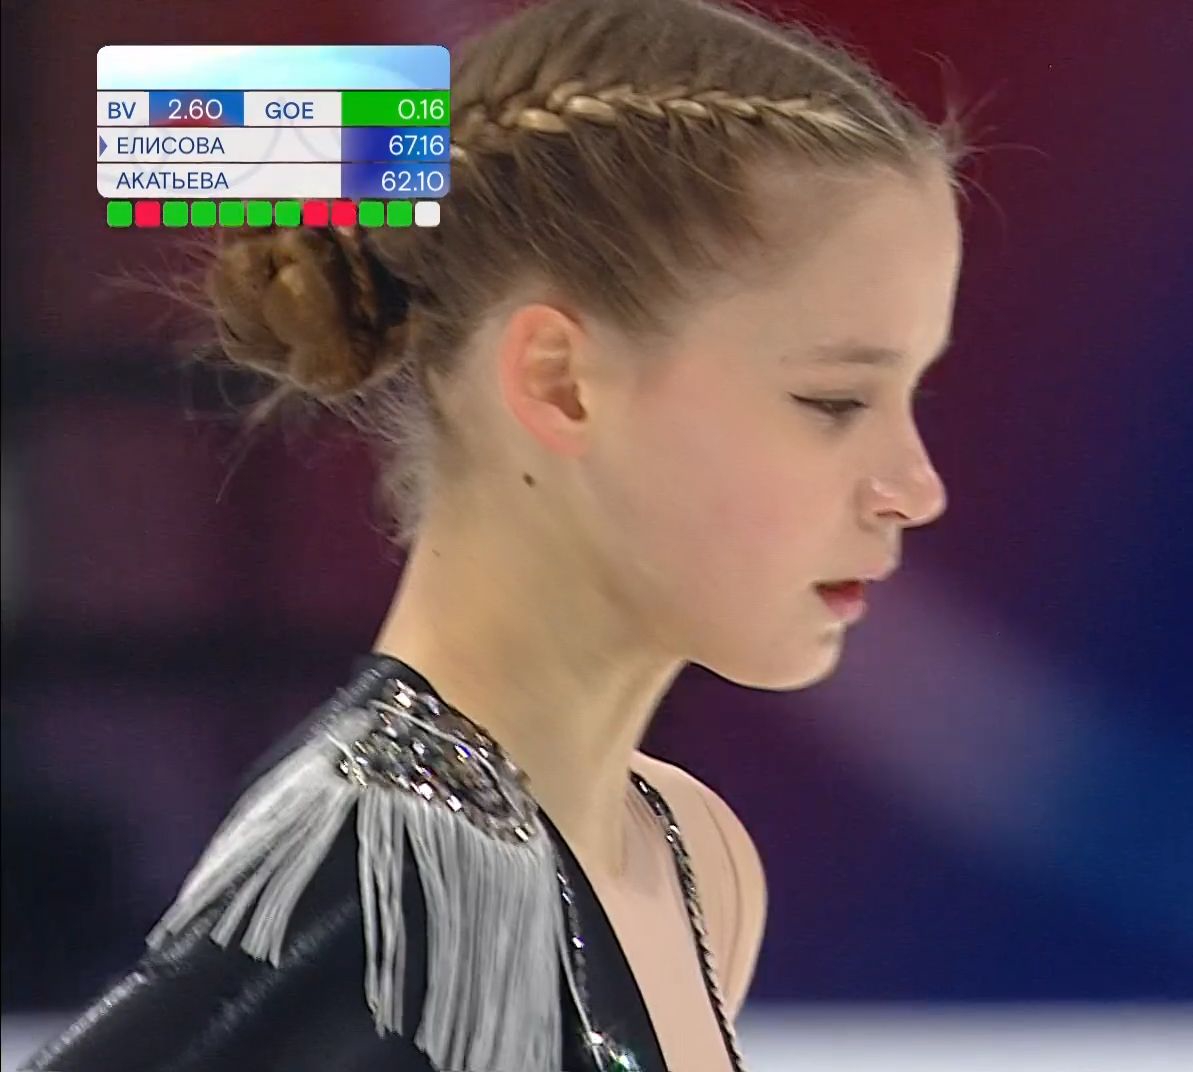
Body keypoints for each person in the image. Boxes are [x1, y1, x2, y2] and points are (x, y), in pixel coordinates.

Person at [23, 0, 970, 1068]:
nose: (915, 487)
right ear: (559, 383)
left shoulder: (686, 856)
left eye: (912, 395)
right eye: (834, 401)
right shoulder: (386, 890)